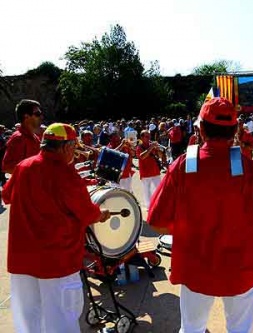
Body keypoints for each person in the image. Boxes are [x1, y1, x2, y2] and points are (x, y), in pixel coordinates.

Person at [147, 97, 253, 333]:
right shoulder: (249, 168)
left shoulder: (182, 165)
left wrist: (187, 232)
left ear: (200, 129)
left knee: (192, 329)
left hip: (195, 270)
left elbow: (156, 222)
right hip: (241, 270)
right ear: (235, 130)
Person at [2, 123, 111, 333]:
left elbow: (6, 196)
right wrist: (101, 214)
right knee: (61, 317)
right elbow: (88, 213)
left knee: (29, 318)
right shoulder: (66, 174)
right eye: (74, 146)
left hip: (22, 259)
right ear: (65, 147)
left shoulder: (23, 167)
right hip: (56, 261)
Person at [2, 99, 42, 174]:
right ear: (26, 117)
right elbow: (7, 167)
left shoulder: (34, 137)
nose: (41, 117)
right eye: (37, 114)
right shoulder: (19, 138)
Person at [137, 130, 162, 209]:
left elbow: (160, 156)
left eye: (149, 136)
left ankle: (159, 204)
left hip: (155, 171)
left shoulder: (152, 146)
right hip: (145, 172)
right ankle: (149, 207)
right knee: (147, 191)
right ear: (142, 137)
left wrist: (158, 149)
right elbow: (142, 156)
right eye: (147, 136)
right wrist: (151, 147)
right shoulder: (139, 147)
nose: (149, 138)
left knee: (159, 189)